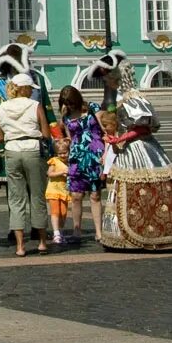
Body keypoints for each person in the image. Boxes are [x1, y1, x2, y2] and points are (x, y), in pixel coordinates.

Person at [95, 75, 172, 252]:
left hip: (138, 148)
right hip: (133, 148)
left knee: (144, 188)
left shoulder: (133, 99)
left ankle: (151, 232)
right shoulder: (126, 99)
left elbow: (141, 127)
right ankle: (127, 234)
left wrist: (119, 139)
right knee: (129, 188)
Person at [0, 43, 52, 188]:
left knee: (37, 188)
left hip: (36, 142)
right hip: (10, 144)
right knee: (14, 190)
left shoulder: (37, 79)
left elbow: (48, 112)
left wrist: (57, 138)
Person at [0, 73, 50, 257]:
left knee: (16, 198)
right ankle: (42, 242)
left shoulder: (1, 107)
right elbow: (45, 132)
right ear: (25, 89)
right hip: (33, 149)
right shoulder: (35, 105)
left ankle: (20, 246)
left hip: (12, 150)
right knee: (37, 196)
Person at [58, 85, 105, 243]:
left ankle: (99, 231)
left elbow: (106, 129)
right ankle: (76, 230)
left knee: (95, 195)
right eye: (66, 103)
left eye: (71, 103)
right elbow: (70, 138)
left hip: (94, 156)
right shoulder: (66, 116)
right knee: (76, 196)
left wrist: (106, 153)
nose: (69, 106)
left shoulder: (93, 108)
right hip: (77, 158)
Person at [44, 153, 72, 248]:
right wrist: (61, 172)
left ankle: (60, 231)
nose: (63, 155)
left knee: (63, 213)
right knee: (55, 212)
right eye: (60, 153)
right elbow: (49, 174)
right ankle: (56, 233)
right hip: (54, 190)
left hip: (64, 191)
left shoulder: (70, 161)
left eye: (65, 153)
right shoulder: (54, 161)